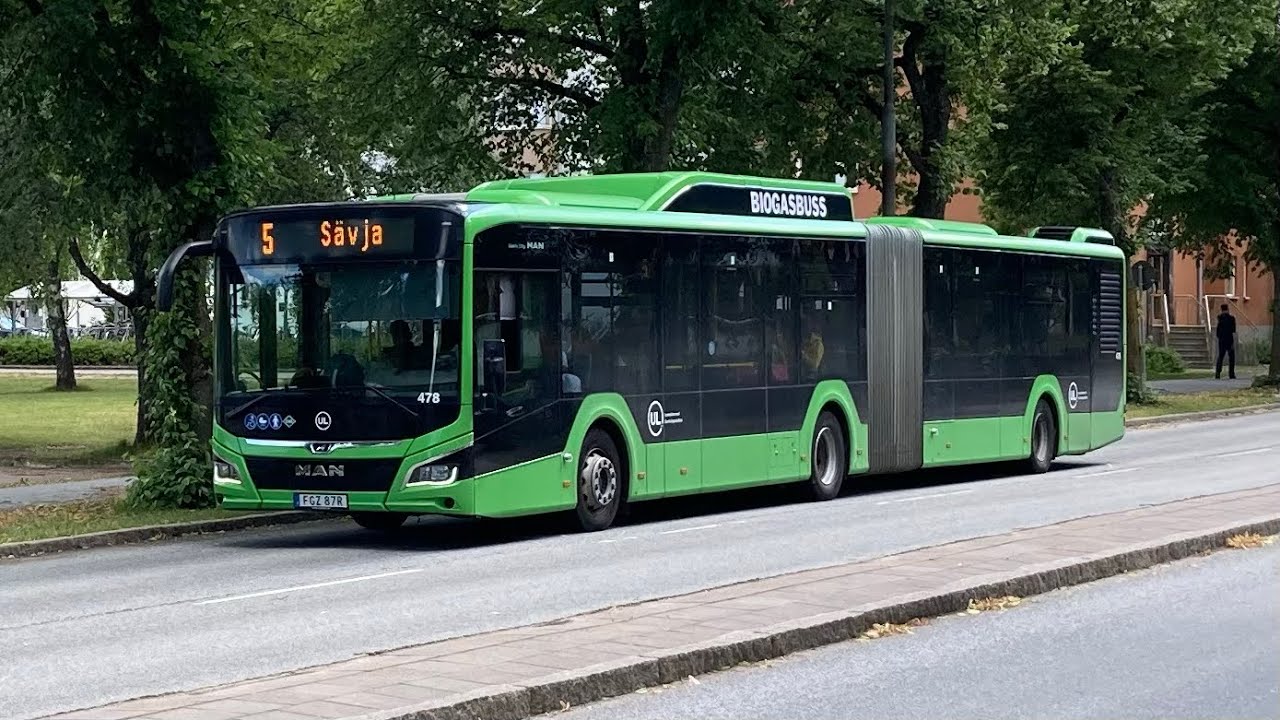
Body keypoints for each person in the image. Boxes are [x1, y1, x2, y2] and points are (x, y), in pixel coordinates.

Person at [1215, 303, 1237, 380]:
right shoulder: (1232, 318)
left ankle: (1217, 373)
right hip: (1229, 339)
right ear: (1228, 309)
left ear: (1221, 309)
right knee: (1231, 357)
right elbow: (1233, 330)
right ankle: (1231, 374)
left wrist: (1219, 337)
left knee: (1220, 356)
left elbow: (1218, 330)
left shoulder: (1219, 318)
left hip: (1221, 340)